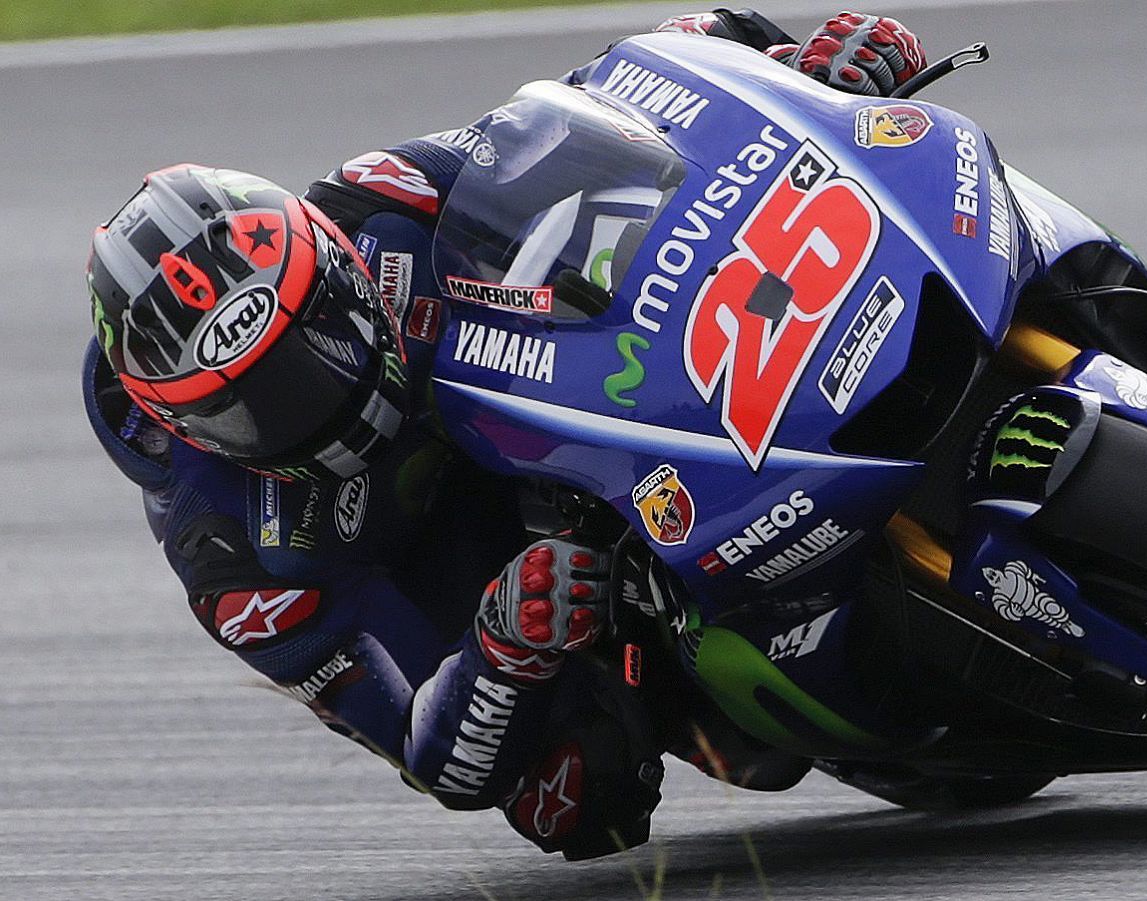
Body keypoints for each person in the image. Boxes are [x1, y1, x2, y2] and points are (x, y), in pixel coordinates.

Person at [82, 9, 928, 861]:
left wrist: (791, 71)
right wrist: (503, 647)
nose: (322, 386)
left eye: (320, 328)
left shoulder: (375, 197)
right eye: (259, 401)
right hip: (486, 570)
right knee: (575, 792)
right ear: (185, 424)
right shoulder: (229, 554)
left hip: (581, 387)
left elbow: (595, 107)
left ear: (326, 253)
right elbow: (429, 753)